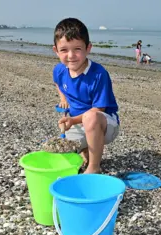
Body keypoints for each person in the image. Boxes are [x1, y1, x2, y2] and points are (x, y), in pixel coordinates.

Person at [52, 18, 120, 174]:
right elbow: (57, 82)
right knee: (60, 152)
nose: (71, 55)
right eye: (64, 50)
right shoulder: (60, 70)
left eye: (77, 49)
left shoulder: (98, 74)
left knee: (90, 117)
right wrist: (63, 99)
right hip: (76, 123)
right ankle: (86, 152)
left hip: (104, 124)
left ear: (88, 48)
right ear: (56, 50)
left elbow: (98, 109)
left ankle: (94, 168)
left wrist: (72, 120)